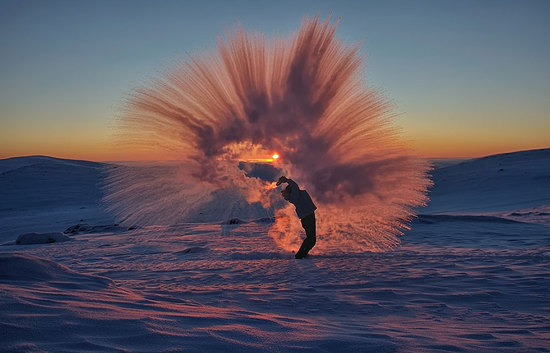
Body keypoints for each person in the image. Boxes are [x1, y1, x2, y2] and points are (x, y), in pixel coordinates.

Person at [276, 176, 317, 259]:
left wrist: (287, 181)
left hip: (308, 217)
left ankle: (302, 255)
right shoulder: (295, 196)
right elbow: (294, 186)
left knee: (311, 239)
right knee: (311, 239)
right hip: (307, 218)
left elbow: (294, 187)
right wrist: (287, 180)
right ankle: (300, 256)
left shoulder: (297, 195)